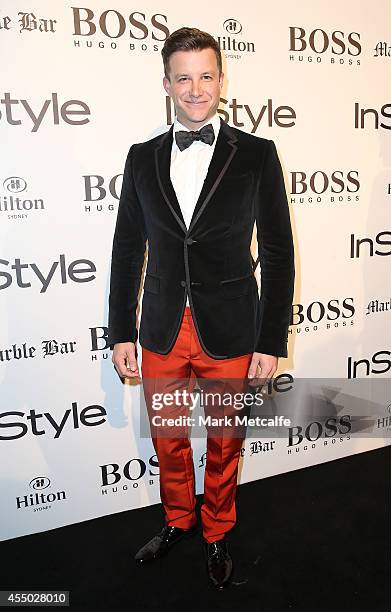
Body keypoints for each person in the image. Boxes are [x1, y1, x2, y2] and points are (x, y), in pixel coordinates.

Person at [108, 26, 295, 590]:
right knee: (167, 437)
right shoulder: (141, 157)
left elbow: (280, 252)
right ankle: (177, 520)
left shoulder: (258, 154)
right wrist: (121, 331)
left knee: (223, 439)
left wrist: (271, 339)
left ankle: (216, 529)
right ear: (166, 84)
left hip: (233, 326)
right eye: (183, 78)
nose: (195, 89)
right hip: (163, 326)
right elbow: (125, 250)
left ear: (221, 80)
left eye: (206, 76)